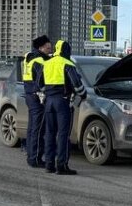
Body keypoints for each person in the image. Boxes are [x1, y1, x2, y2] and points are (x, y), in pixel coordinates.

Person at [41, 39, 85, 175]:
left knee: (50, 133)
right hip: (62, 102)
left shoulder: (47, 63)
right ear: (66, 51)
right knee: (63, 135)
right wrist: (82, 94)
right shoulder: (67, 63)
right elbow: (77, 85)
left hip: (49, 102)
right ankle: (61, 166)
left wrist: (48, 93)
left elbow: (39, 83)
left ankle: (49, 164)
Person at [22, 35, 54, 167]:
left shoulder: (29, 57)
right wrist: (46, 90)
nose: (50, 50)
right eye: (48, 47)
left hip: (30, 94)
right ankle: (35, 158)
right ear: (41, 47)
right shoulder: (39, 61)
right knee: (39, 129)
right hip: (38, 97)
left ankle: (31, 156)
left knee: (32, 128)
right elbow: (41, 80)